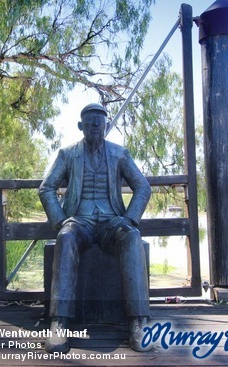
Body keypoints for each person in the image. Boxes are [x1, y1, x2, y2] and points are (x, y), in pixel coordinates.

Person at [38, 103, 152, 353]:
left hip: (112, 222)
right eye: (90, 123)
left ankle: (138, 322)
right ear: (81, 126)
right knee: (66, 237)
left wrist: (130, 218)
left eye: (100, 123)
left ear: (107, 126)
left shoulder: (120, 154)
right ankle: (59, 322)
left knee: (132, 236)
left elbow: (143, 187)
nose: (96, 127)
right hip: (81, 221)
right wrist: (60, 221)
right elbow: (46, 188)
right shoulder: (67, 154)